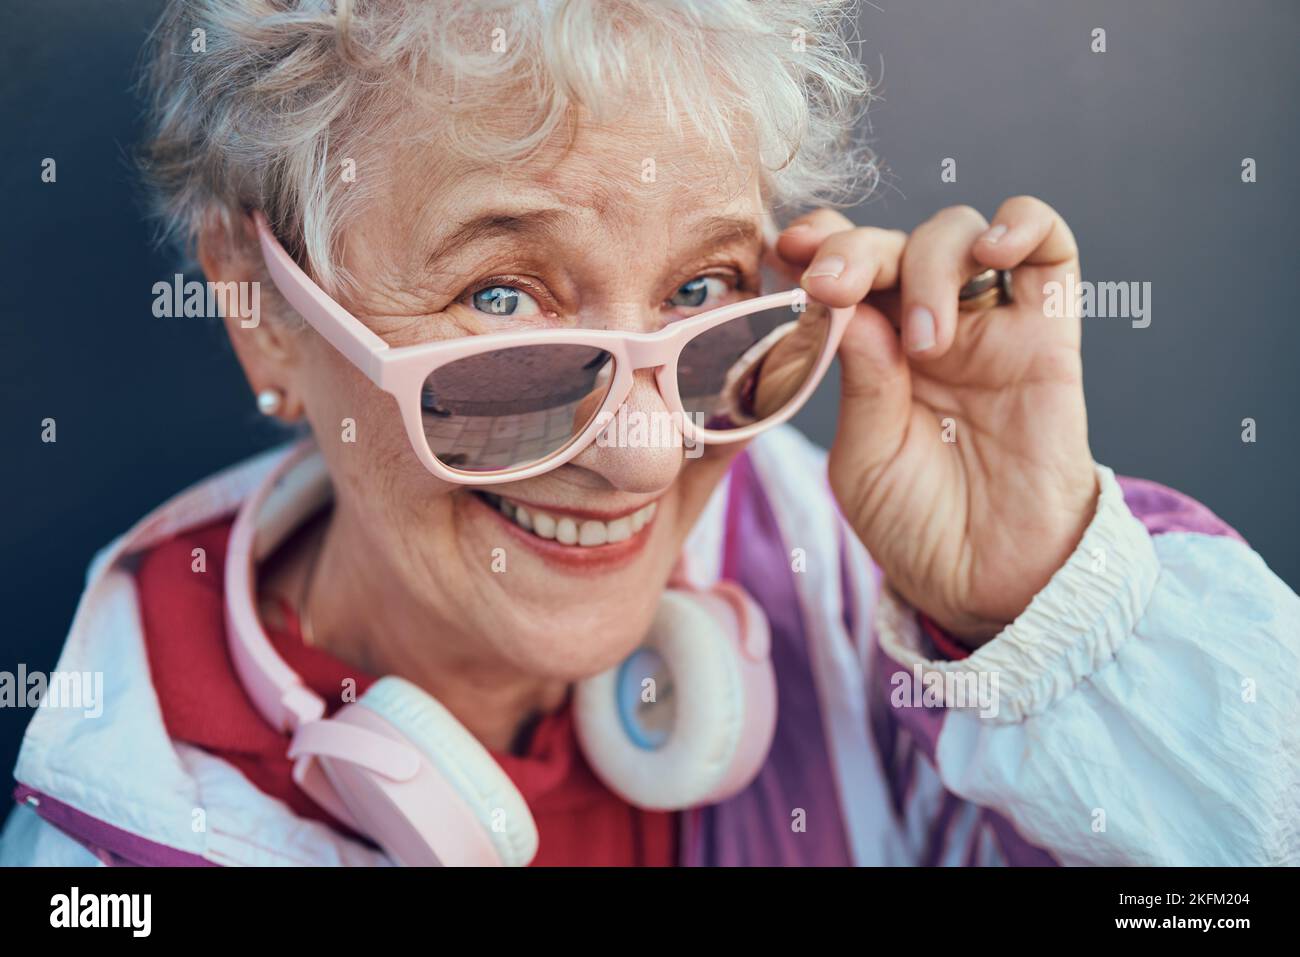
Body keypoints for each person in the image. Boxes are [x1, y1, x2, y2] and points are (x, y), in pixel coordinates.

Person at [3, 0, 1296, 867]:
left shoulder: (848, 584)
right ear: (257, 305)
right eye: (502, 299)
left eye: (703, 293)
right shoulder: (101, 848)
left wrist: (1045, 599)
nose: (641, 450)